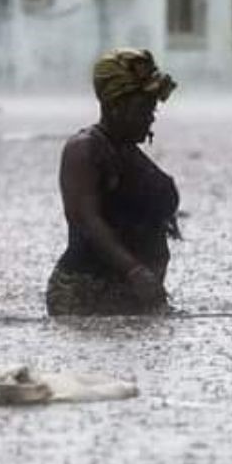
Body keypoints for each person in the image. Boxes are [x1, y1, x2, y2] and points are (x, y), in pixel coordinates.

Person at [46, 48, 182, 316]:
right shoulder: (84, 150)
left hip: (135, 297)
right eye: (143, 108)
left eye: (152, 107)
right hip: (86, 295)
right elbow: (86, 220)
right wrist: (135, 270)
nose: (151, 116)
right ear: (114, 106)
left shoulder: (131, 153)